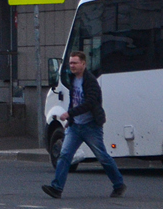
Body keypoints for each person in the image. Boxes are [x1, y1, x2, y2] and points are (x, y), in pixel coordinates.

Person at [42, 51, 125, 199]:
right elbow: (74, 101)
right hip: (75, 127)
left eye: (75, 63)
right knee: (65, 155)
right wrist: (70, 120)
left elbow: (90, 103)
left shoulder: (90, 81)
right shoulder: (73, 80)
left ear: (83, 64)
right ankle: (56, 188)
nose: (72, 66)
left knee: (103, 157)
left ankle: (119, 184)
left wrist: (70, 114)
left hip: (91, 126)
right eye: (70, 63)